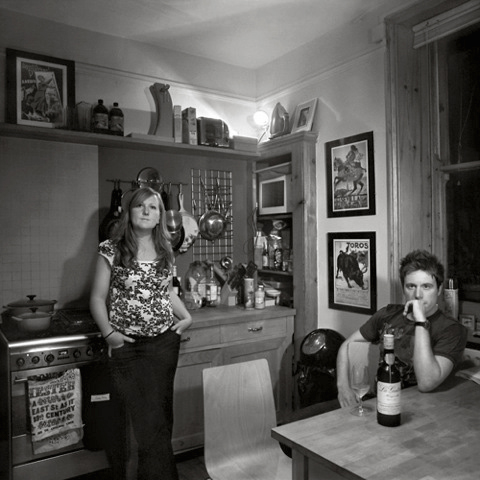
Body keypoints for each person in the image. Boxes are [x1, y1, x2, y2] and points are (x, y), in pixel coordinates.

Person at [90, 186, 192, 480]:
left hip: (164, 343)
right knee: (143, 423)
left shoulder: (165, 249)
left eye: (153, 207)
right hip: (128, 347)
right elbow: (97, 298)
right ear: (129, 212)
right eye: (140, 206)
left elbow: (166, 292)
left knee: (161, 417)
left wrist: (186, 317)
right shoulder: (111, 248)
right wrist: (109, 334)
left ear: (160, 216)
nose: (147, 211)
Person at [337, 249, 467, 408]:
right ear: (403, 288)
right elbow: (347, 345)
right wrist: (343, 387)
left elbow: (426, 383)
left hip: (423, 409)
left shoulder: (452, 329)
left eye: (426, 286)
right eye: (411, 286)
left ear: (439, 290)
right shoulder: (388, 314)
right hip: (378, 402)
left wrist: (421, 321)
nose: (418, 294)